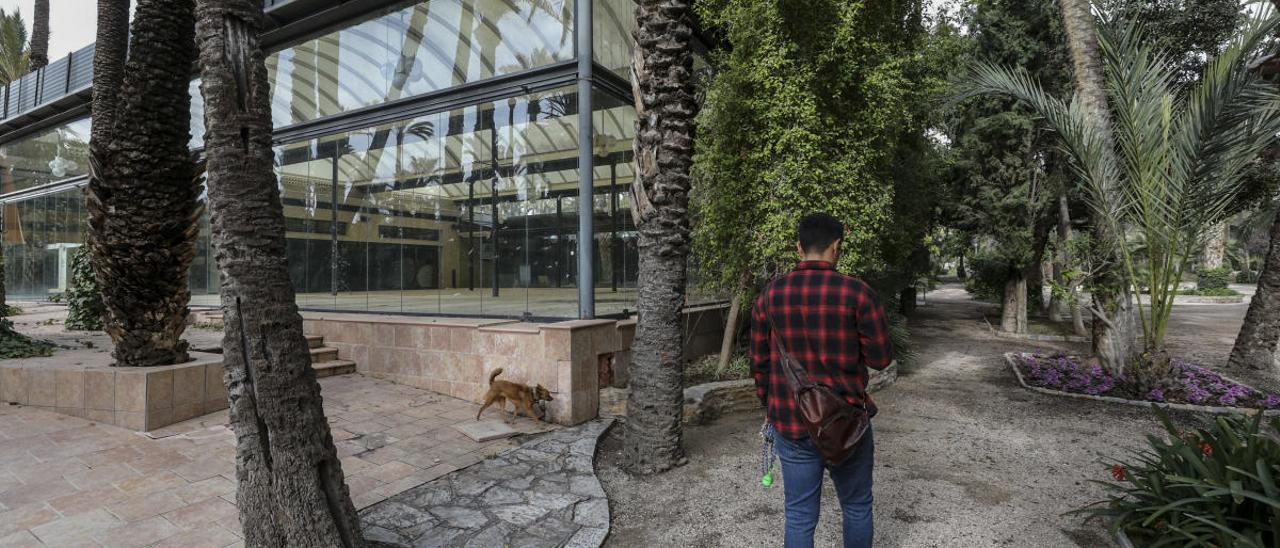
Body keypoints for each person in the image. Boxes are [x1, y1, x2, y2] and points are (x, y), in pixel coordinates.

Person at [751, 213, 894, 548]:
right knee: (857, 506)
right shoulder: (858, 294)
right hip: (847, 424)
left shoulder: (770, 296)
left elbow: (759, 365)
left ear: (799, 247)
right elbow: (881, 359)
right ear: (837, 247)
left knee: (799, 515)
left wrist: (771, 408)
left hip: (792, 423)